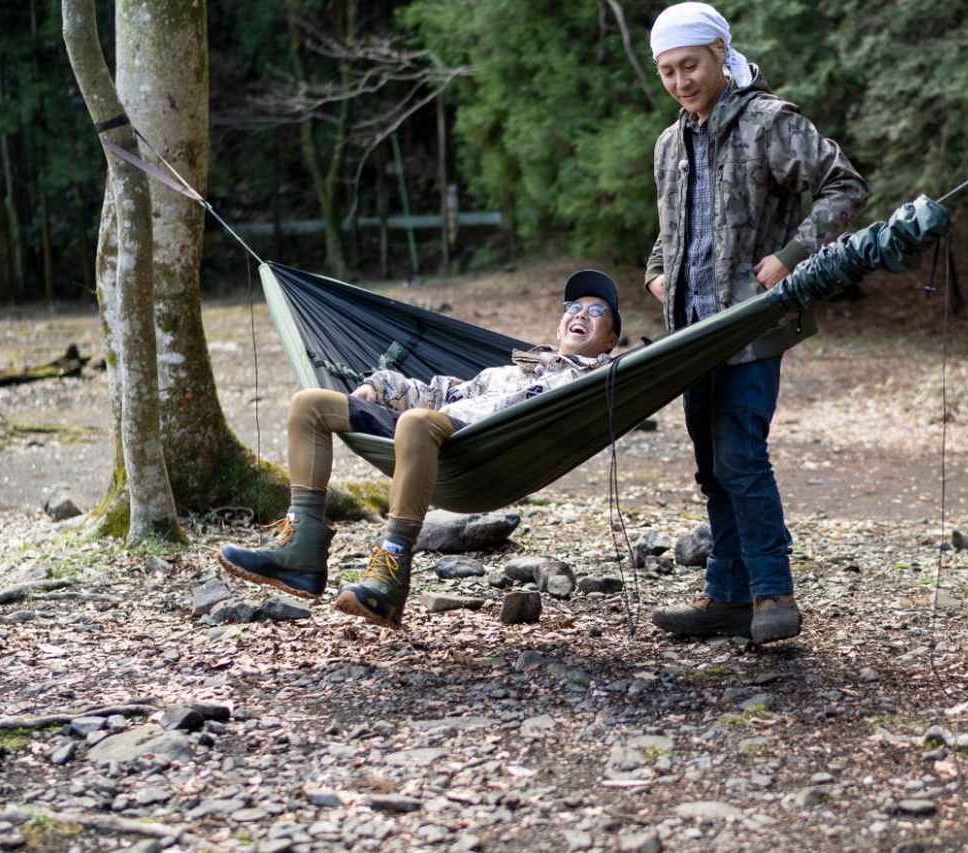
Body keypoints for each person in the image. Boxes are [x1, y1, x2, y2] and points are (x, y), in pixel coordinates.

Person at [218, 270, 622, 629]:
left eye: (596, 311)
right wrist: (381, 387)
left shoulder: (593, 381)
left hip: (486, 447)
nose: (581, 314)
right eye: (573, 307)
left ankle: (390, 573)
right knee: (310, 404)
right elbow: (440, 391)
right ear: (558, 327)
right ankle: (301, 552)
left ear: (611, 340)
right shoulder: (510, 371)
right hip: (432, 428)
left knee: (415, 422)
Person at [642, 2, 868, 644]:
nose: (681, 82)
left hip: (751, 324)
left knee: (741, 455)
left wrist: (791, 257)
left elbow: (844, 185)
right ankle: (727, 598)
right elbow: (668, 230)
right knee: (711, 465)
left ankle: (774, 593)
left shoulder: (770, 121)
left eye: (690, 66)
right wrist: (656, 273)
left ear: (719, 52)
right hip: (686, 336)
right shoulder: (669, 143)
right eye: (667, 72)